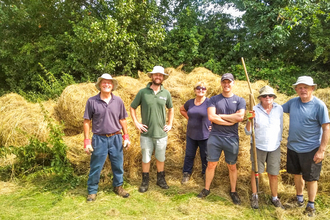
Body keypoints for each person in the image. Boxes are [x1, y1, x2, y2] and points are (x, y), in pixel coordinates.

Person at [282, 76, 330, 216]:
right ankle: (299, 199)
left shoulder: (319, 105)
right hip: (293, 147)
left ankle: (311, 205)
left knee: (311, 178)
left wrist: (321, 150)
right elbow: (276, 108)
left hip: (311, 148)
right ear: (296, 89)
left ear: (312, 88)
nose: (303, 90)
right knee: (297, 174)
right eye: (300, 87)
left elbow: (326, 128)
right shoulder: (292, 102)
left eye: (306, 87)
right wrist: (261, 104)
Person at [197, 73, 246, 205]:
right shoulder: (213, 99)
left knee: (232, 166)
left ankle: (233, 191)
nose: (226, 84)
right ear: (221, 83)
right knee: (211, 164)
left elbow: (240, 117)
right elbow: (212, 117)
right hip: (215, 137)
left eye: (229, 82)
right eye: (224, 82)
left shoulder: (240, 100)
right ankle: (206, 189)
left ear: (233, 83)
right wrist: (230, 119)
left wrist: (221, 116)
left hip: (232, 138)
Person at [83, 73, 131, 202]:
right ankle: (92, 191)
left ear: (113, 85)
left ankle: (118, 187)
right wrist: (87, 141)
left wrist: (126, 137)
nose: (106, 84)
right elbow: (87, 121)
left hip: (116, 137)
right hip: (99, 139)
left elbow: (123, 119)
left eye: (109, 82)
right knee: (96, 166)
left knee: (118, 165)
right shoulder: (92, 101)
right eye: (104, 82)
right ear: (99, 85)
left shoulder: (118, 101)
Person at [130, 66, 174, 193]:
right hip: (146, 134)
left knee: (161, 158)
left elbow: (171, 108)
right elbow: (132, 107)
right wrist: (137, 123)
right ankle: (145, 181)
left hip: (161, 133)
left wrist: (170, 124)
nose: (158, 77)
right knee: (146, 158)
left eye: (160, 75)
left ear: (163, 78)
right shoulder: (143, 92)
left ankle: (161, 180)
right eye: (156, 75)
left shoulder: (166, 93)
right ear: (151, 76)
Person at [245, 86, 284, 209]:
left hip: (274, 146)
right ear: (260, 98)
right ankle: (255, 196)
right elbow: (247, 132)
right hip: (258, 146)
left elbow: (280, 126)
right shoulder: (253, 109)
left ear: (273, 97)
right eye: (264, 96)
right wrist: (249, 119)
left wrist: (279, 140)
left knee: (273, 173)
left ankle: (274, 197)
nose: (267, 98)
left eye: (270, 95)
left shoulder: (279, 109)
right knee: (256, 171)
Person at [180, 82, 211, 184]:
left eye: (203, 88)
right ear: (194, 90)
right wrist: (189, 118)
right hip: (191, 134)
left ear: (206, 90)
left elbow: (217, 114)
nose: (200, 90)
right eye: (198, 88)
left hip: (205, 135)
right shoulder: (190, 102)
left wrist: (214, 125)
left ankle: (205, 174)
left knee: (205, 156)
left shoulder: (209, 102)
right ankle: (186, 173)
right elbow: (182, 109)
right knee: (189, 155)